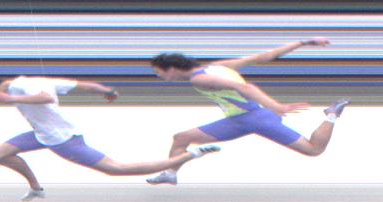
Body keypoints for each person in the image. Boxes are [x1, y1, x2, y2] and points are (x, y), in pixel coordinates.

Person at [0, 75, 220, 200]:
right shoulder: (31, 79)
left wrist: (11, 99)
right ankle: (36, 188)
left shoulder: (20, 87)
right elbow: (80, 85)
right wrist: (106, 90)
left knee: (116, 169)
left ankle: (189, 155)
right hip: (41, 135)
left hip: (61, 138)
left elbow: (46, 98)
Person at [146, 38, 350, 185]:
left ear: (171, 68)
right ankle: (170, 173)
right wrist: (302, 43)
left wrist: (275, 106)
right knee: (181, 138)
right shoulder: (217, 66)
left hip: (251, 119)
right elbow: (264, 57)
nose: (159, 77)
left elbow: (245, 88)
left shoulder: (199, 79)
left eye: (159, 72)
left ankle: (331, 115)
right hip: (246, 119)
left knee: (313, 149)